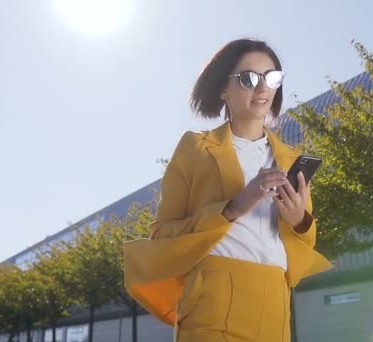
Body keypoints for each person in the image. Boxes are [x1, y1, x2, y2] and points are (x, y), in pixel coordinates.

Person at [124, 38, 332, 342]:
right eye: (248, 78)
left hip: (276, 298)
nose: (262, 88)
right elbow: (163, 233)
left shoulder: (290, 158)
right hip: (214, 297)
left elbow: (304, 239)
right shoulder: (195, 148)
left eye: (271, 77)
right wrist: (232, 208)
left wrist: (300, 219)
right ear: (224, 89)